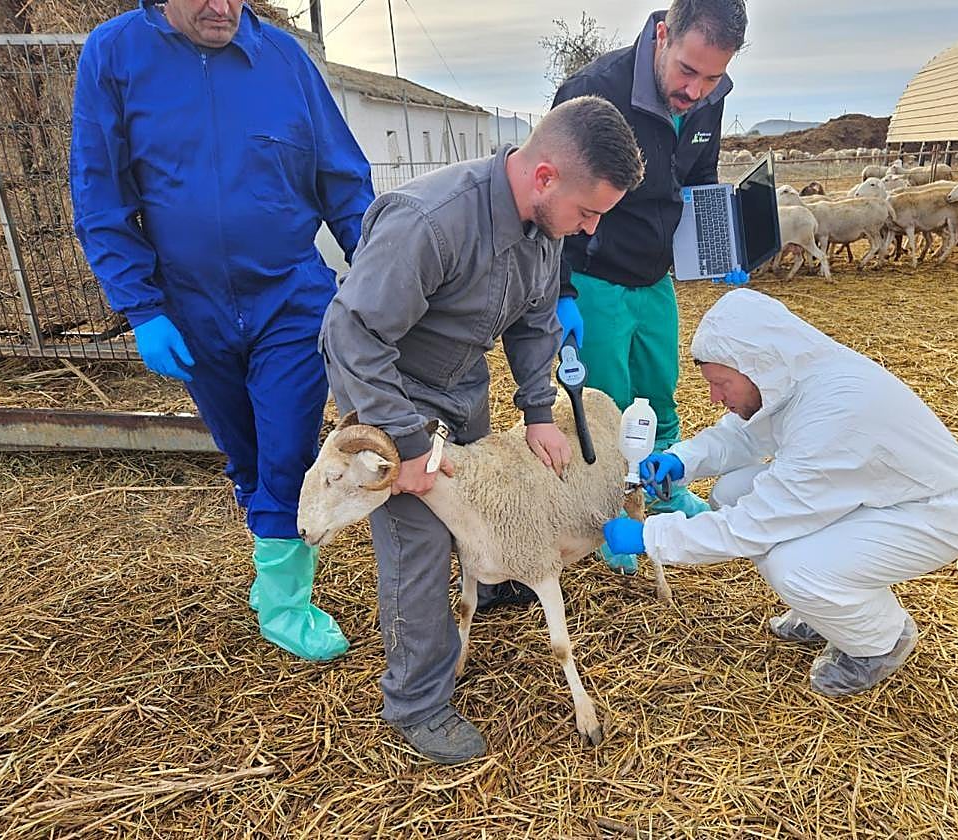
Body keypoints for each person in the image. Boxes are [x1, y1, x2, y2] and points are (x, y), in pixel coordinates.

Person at [319, 96, 645, 765]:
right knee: (417, 547)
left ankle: (492, 577)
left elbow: (532, 323)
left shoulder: (543, 228)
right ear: (547, 176)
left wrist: (536, 413)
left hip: (460, 386)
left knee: (483, 503)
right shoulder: (431, 222)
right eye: (587, 212)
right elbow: (354, 334)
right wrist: (406, 446)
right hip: (390, 392)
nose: (587, 230)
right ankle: (417, 701)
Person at [70, 0, 375, 662]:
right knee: (243, 453)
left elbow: (345, 185)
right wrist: (143, 309)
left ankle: (287, 601)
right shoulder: (114, 57)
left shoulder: (286, 62)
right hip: (191, 305)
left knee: (289, 450)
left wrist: (381, 275)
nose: (222, 7)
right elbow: (101, 195)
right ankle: (271, 569)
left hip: (289, 298)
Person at [602, 289, 958, 696]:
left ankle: (880, 640)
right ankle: (828, 611)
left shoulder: (834, 413)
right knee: (733, 490)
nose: (715, 397)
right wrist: (683, 460)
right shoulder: (792, 378)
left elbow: (755, 524)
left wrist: (651, 537)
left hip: (931, 513)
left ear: (754, 366)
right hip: (882, 496)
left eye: (721, 383)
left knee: (794, 567)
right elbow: (747, 435)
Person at [549, 0, 749, 574]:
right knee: (608, 400)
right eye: (688, 70)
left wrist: (718, 245)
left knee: (660, 388)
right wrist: (562, 290)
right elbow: (558, 195)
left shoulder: (710, 96)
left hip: (653, 275)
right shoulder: (593, 91)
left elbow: (698, 179)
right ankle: (612, 511)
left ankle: (661, 489)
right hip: (596, 274)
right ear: (664, 35)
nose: (697, 89)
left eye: (713, 76)